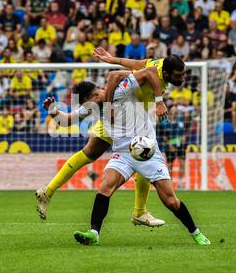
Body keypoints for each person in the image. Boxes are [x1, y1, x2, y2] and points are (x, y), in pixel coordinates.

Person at [36, 47, 188, 227]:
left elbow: (137, 67)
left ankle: (140, 212)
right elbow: (142, 71)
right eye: (179, 75)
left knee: (126, 153)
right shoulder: (145, 75)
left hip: (129, 119)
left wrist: (112, 59)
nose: (182, 78)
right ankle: (139, 212)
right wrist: (53, 111)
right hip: (121, 121)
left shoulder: (148, 72)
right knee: (110, 153)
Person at [72, 71, 210, 246]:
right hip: (123, 153)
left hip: (146, 150)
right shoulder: (91, 106)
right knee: (105, 187)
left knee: (170, 200)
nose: (87, 108)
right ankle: (94, 234)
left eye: (87, 103)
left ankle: (196, 233)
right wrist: (53, 111)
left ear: (95, 94)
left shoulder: (118, 91)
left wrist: (159, 102)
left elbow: (142, 72)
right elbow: (67, 119)